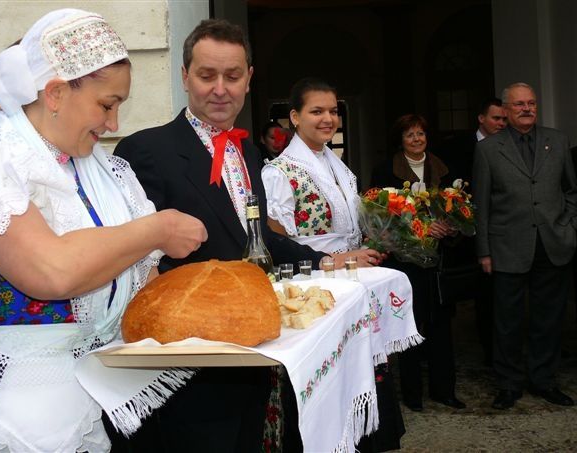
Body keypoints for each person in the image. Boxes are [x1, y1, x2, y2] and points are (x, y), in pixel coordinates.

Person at [0, 9, 207, 451]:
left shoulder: (110, 175)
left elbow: (145, 292)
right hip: (12, 405)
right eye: (107, 104)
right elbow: (52, 272)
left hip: (100, 396)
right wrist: (156, 228)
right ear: (57, 92)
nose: (114, 125)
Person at [115, 18, 382, 453]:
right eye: (206, 75)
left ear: (249, 80)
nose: (220, 88)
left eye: (233, 76)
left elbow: (256, 238)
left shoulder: (249, 151)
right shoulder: (147, 150)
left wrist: (325, 261)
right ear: (185, 77)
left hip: (253, 345)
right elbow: (136, 256)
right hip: (187, 363)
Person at [262, 77, 401, 452]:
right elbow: (278, 244)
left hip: (352, 284)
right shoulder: (280, 172)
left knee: (359, 371)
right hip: (314, 288)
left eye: (334, 111)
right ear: (294, 117)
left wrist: (373, 243)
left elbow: (351, 226)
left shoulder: (337, 166)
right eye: (316, 111)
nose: (328, 119)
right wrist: (335, 258)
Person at [474, 82, 577, 410]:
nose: (526, 109)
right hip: (507, 247)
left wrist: (569, 227)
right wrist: (484, 251)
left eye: (531, 103)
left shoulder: (557, 141)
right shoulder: (489, 149)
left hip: (552, 244)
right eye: (519, 104)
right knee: (508, 321)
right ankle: (508, 384)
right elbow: (482, 205)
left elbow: (571, 190)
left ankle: (544, 380)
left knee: (548, 318)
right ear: (505, 110)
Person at [370, 114, 465, 412]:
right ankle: (412, 394)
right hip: (405, 263)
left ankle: (444, 391)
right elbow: (380, 217)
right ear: (400, 140)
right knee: (408, 326)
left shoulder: (446, 169)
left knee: (441, 328)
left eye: (420, 134)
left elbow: (459, 209)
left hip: (438, 263)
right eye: (409, 134)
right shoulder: (385, 171)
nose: (416, 139)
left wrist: (449, 227)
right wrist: (420, 229)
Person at [436, 97, 507, 367]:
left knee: (493, 298)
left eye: (503, 119)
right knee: (459, 296)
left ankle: (493, 356)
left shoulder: (508, 143)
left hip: (498, 231)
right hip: (462, 237)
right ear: (481, 118)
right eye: (496, 118)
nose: (501, 123)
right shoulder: (455, 147)